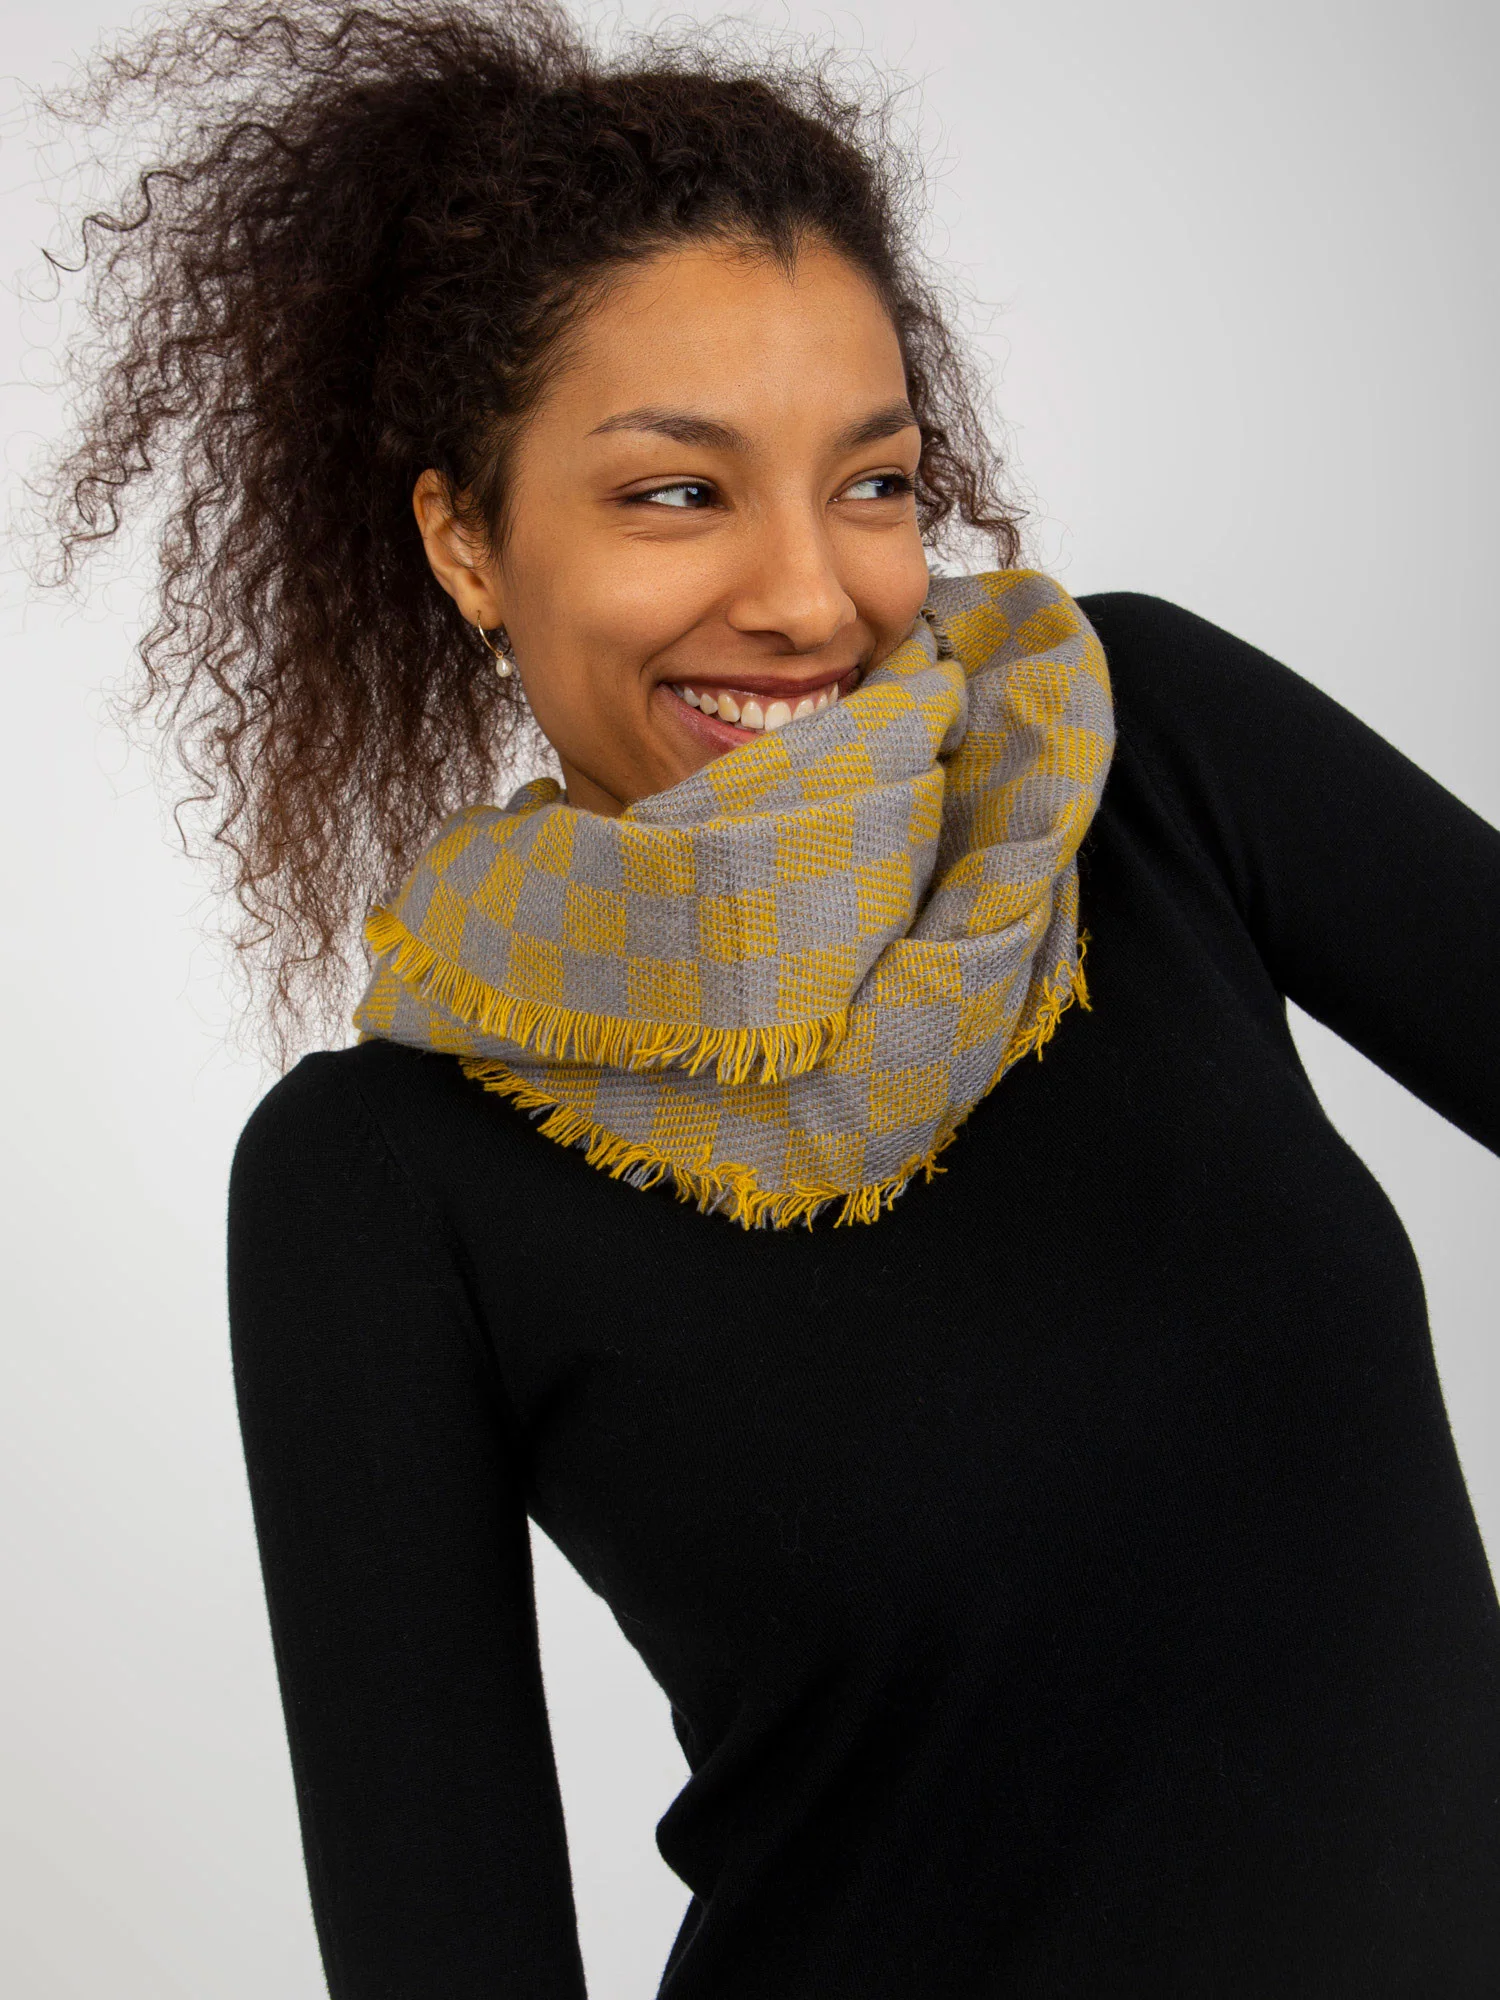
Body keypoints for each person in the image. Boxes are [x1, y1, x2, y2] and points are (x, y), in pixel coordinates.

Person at [37, 1, 1499, 1993]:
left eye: (873, 484)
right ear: (469, 543)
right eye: (678, 494)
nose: (813, 598)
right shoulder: (382, 1181)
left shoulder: (1124, 758)